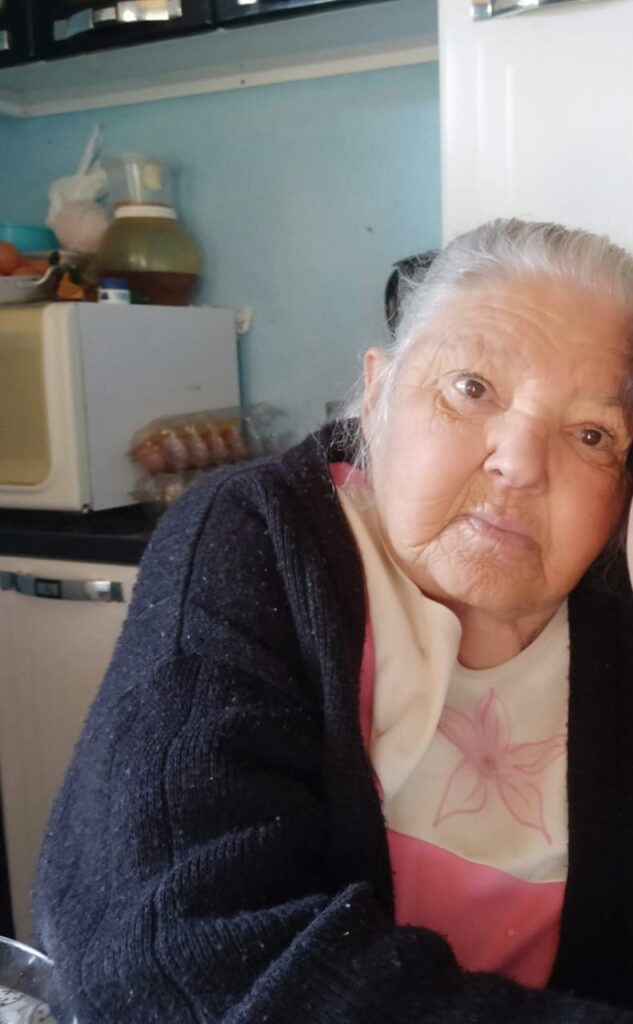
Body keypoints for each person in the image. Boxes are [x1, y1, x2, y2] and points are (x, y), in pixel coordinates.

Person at [35, 219, 633, 1023]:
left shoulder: (611, 602)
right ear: (378, 394)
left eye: (591, 433)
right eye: (470, 388)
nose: (520, 464)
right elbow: (177, 954)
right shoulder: (258, 538)